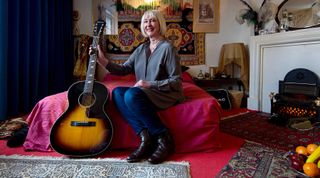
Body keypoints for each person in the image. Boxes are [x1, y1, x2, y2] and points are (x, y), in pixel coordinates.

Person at [92, 10, 185, 164]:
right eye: (145, 21)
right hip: (145, 92)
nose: (149, 24)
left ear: (160, 23)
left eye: (152, 21)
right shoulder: (141, 49)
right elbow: (123, 70)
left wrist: (149, 83)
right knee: (117, 93)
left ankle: (164, 139)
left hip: (165, 93)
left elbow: (176, 81)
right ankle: (145, 137)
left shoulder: (168, 48)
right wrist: (102, 60)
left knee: (131, 94)